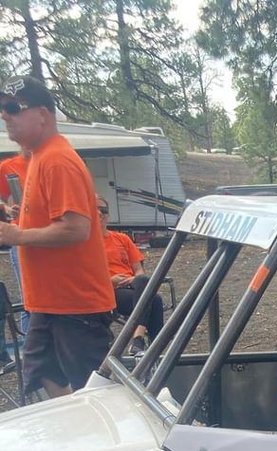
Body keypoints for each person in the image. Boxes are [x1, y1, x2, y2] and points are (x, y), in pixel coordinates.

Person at [0, 76, 114, 399]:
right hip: (49, 304)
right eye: (3, 110)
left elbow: (76, 228)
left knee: (95, 392)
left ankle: (96, 431)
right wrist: (16, 220)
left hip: (75, 305)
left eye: (13, 108)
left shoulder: (58, 160)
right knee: (44, 372)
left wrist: (19, 235)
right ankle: (73, 425)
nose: (5, 116)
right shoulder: (38, 157)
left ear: (43, 114)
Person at [97, 196, 163, 355]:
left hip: (131, 285)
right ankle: (150, 347)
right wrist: (110, 282)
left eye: (103, 211)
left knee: (142, 280)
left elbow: (138, 269)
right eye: (94, 210)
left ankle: (141, 341)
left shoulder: (122, 239)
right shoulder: (86, 244)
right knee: (155, 300)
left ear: (108, 215)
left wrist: (134, 278)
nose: (99, 214)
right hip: (106, 291)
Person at [0, 148, 31, 335]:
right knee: (30, 297)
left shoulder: (53, 162)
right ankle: (30, 348)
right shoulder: (8, 166)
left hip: (51, 237)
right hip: (22, 237)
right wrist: (6, 209)